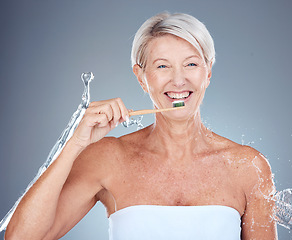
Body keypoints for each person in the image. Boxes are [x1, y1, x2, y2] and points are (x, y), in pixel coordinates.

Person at [5, 12, 277, 240]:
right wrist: (75, 144)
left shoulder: (248, 167)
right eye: (162, 66)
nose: (179, 81)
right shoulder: (107, 157)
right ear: (141, 77)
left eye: (191, 64)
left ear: (208, 72)